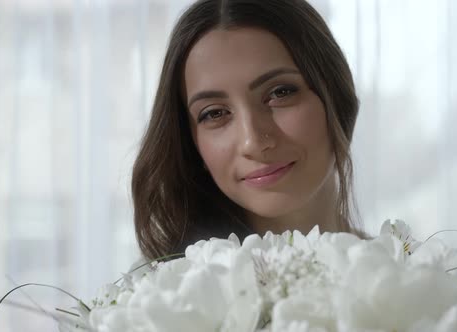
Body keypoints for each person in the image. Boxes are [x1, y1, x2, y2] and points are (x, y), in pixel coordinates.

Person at [131, 0, 364, 260]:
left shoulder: (412, 273)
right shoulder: (156, 293)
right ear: (191, 145)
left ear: (336, 96)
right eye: (215, 113)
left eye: (280, 93)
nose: (252, 142)